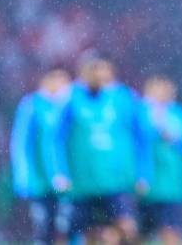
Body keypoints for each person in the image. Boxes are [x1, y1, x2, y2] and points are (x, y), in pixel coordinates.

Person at [53, 57, 143, 245]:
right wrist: (60, 172)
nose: (100, 75)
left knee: (125, 226)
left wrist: (141, 173)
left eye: (103, 70)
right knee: (85, 231)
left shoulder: (123, 97)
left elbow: (140, 136)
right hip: (82, 181)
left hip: (115, 179)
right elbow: (56, 139)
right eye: (95, 70)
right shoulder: (70, 98)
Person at [136, 76, 182, 245]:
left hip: (173, 184)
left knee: (171, 228)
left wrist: (175, 139)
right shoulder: (140, 112)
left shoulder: (180, 113)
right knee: (139, 232)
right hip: (145, 184)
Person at [10, 69, 73, 245]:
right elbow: (21, 143)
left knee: (64, 226)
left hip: (62, 179)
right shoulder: (32, 105)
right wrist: (24, 175)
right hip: (39, 179)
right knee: (43, 225)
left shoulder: (64, 107)